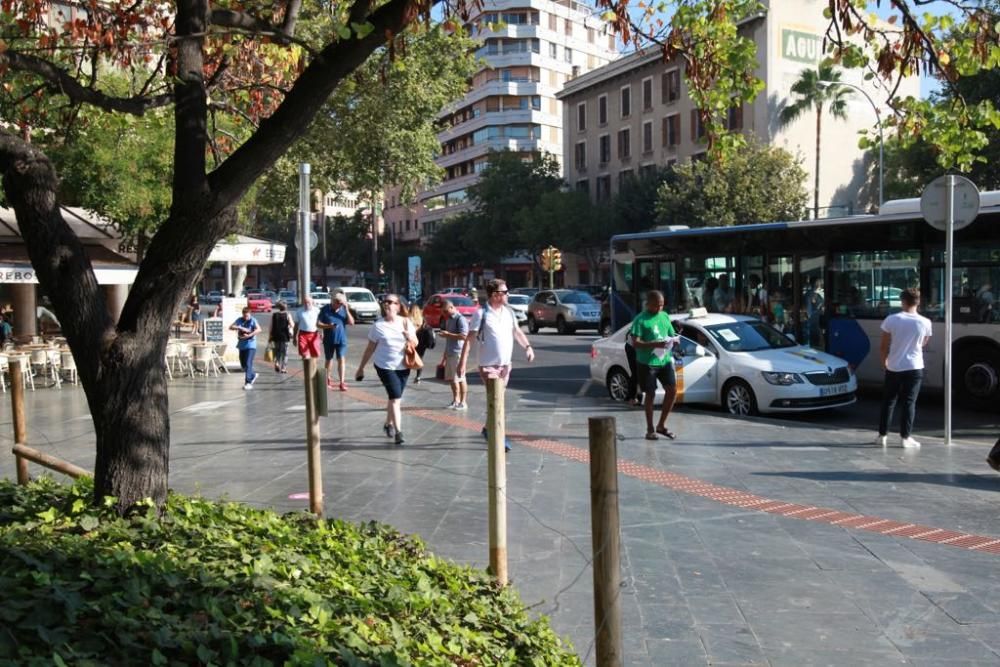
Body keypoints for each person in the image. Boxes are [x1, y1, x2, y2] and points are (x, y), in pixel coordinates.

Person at [458, 278, 534, 452]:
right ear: (495, 295)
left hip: (505, 366)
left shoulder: (509, 313)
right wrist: (462, 362)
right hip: (488, 366)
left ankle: (487, 428)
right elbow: (469, 340)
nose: (508, 295)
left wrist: (528, 347)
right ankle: (499, 436)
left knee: (497, 401)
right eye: (505, 292)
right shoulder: (481, 314)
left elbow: (517, 332)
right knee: (497, 400)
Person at [355, 294, 417, 445]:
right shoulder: (378, 325)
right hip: (385, 366)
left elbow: (415, 343)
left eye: (392, 302)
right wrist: (361, 368)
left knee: (393, 397)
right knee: (396, 398)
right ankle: (399, 432)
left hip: (403, 365)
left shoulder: (406, 322)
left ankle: (388, 423)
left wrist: (409, 337)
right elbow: (370, 348)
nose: (388, 304)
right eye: (386, 302)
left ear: (398, 306)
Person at [875, 288, 932, 448]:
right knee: (909, 403)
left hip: (894, 366)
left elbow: (883, 346)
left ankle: (882, 435)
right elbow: (923, 343)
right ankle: (905, 438)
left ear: (902, 301)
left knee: (889, 401)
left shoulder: (891, 319)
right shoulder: (925, 322)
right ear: (918, 302)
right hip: (915, 367)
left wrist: (884, 362)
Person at [630, 290, 680, 441]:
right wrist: (655, 344)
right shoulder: (640, 320)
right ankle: (650, 429)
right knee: (650, 395)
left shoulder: (664, 316)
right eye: (656, 306)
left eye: (662, 305)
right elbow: (635, 343)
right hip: (647, 363)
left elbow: (671, 334)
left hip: (664, 360)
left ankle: (661, 425)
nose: (659, 308)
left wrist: (675, 339)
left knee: (672, 390)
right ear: (648, 304)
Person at [318, 292, 354, 390]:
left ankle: (342, 382)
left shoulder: (343, 310)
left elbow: (351, 323)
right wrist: (328, 326)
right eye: (338, 302)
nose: (340, 305)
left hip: (341, 339)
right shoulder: (325, 309)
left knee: (341, 359)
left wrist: (346, 309)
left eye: (342, 303)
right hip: (329, 340)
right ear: (333, 301)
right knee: (329, 360)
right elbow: (318, 324)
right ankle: (327, 379)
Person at [437, 299, 469, 409]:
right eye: (443, 312)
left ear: (451, 307)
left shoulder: (460, 319)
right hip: (450, 351)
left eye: (445, 311)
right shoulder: (448, 320)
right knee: (451, 379)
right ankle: (456, 400)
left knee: (459, 378)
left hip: (458, 352)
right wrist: (445, 354)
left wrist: (448, 334)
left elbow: (464, 336)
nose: (444, 314)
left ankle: (463, 402)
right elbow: (449, 338)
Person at [229, 306, 260, 389]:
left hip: (251, 345)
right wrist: (240, 327)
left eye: (247, 316)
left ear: (250, 314)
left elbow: (259, 329)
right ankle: (253, 375)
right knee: (243, 365)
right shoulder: (239, 320)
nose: (246, 317)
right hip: (242, 345)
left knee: (248, 363)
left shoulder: (253, 320)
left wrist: (249, 334)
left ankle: (248, 382)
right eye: (244, 316)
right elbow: (231, 327)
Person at [408, 304, 435, 384]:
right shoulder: (422, 319)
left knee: (409, 358)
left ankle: (406, 374)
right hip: (422, 342)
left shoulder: (408, 319)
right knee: (419, 358)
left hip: (412, 341)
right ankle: (418, 376)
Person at [269, 301, 294, 373]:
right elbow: (292, 325)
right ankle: (283, 368)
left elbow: (271, 327)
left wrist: (270, 336)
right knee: (285, 352)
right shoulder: (287, 315)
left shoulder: (274, 315)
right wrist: (289, 325)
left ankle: (277, 363)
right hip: (285, 336)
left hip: (275, 336)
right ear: (285, 307)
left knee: (277, 351)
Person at [294, 295, 321, 360]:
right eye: (305, 302)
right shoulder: (299, 311)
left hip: (314, 334)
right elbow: (296, 325)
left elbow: (320, 323)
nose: (307, 304)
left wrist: (322, 332)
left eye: (308, 302)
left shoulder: (317, 310)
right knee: (305, 355)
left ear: (312, 302)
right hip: (303, 334)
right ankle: (307, 369)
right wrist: (295, 336)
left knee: (314, 355)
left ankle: (313, 369)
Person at [625, 332, 643, 406]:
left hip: (641, 347)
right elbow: (634, 338)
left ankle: (638, 396)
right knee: (636, 373)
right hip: (633, 347)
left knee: (640, 373)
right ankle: (632, 398)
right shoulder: (640, 322)